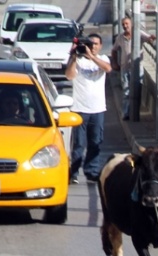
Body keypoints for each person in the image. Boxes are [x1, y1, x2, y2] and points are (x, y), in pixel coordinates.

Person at [65, 33, 112, 184]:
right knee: (78, 143)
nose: (92, 47)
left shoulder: (103, 58)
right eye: (90, 44)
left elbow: (108, 69)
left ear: (100, 46)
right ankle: (74, 172)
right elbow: (69, 76)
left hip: (97, 109)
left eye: (96, 44)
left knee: (95, 142)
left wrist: (92, 57)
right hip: (79, 108)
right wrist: (73, 56)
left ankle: (91, 171)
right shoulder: (77, 60)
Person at [110, 16, 156, 120]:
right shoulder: (120, 37)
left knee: (136, 90)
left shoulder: (138, 34)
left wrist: (151, 38)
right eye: (123, 24)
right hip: (124, 67)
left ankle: (135, 112)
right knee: (126, 92)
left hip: (136, 68)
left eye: (127, 24)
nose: (125, 26)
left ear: (131, 24)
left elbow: (148, 38)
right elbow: (114, 50)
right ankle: (126, 113)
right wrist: (115, 63)